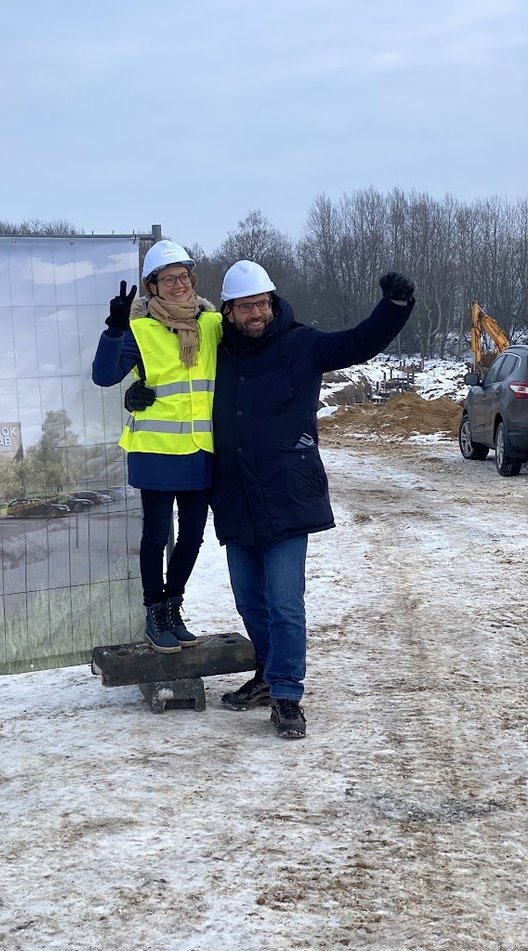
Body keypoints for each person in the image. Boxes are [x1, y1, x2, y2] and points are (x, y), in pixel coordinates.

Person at [127, 261, 415, 738]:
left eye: (262, 304)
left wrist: (394, 307)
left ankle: (286, 694)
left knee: (284, 603)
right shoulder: (217, 349)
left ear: (272, 303)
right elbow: (178, 377)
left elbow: (358, 343)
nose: (256, 313)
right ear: (229, 311)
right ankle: (266, 673)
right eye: (246, 306)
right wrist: (139, 393)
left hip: (287, 494)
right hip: (236, 494)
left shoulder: (300, 344)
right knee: (249, 601)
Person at [92, 240, 223, 653]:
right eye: (168, 280)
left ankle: (172, 606)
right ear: (152, 287)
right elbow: (104, 376)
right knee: (156, 535)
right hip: (155, 450)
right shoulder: (141, 329)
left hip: (200, 448)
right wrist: (114, 330)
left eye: (183, 277)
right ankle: (154, 613)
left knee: (193, 536)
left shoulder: (212, 324)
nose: (179, 285)